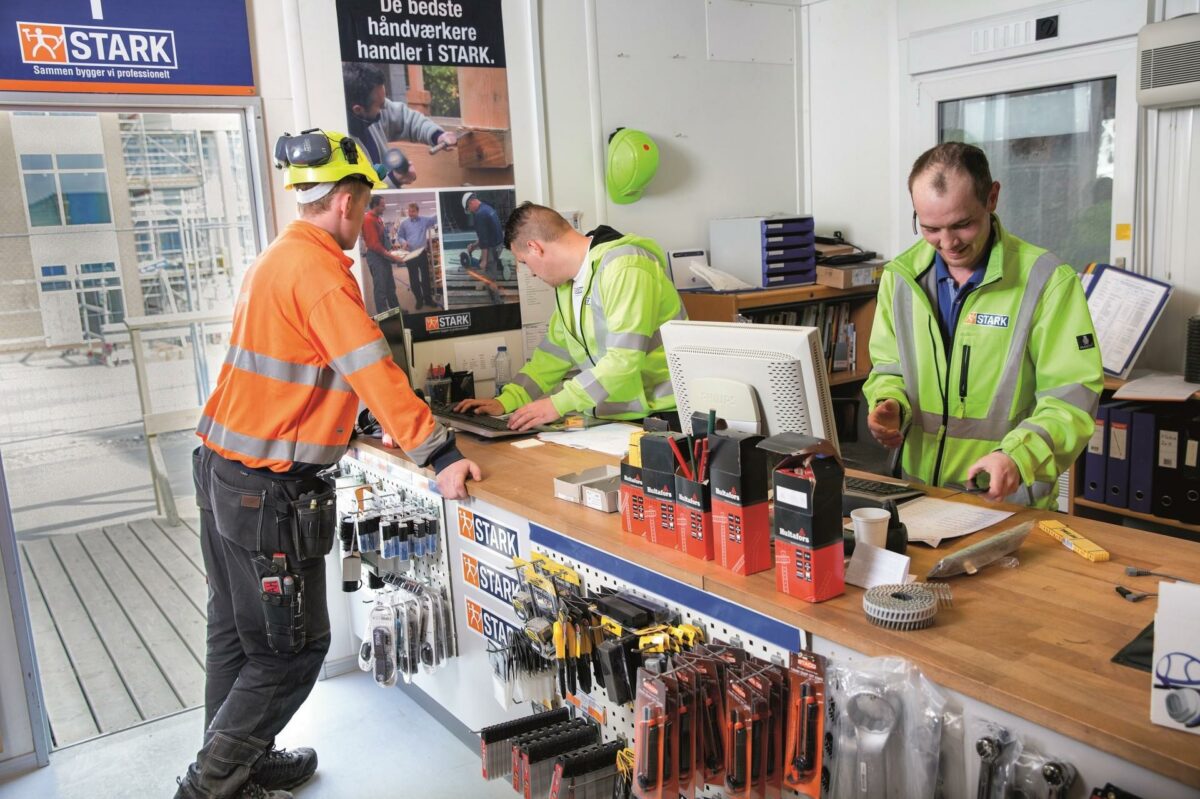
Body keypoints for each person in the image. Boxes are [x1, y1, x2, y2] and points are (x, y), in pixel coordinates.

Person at [176, 129, 481, 799]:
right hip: (266, 493)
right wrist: (440, 452)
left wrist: (352, 416)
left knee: (233, 633)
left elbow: (309, 370)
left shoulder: (278, 257)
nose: (367, 217)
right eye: (367, 204)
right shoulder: (318, 273)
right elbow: (371, 363)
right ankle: (209, 786)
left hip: (222, 471)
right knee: (291, 651)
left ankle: (239, 762)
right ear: (345, 200)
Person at [863, 141, 1102, 508]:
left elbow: (1071, 401)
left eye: (962, 225)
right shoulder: (900, 279)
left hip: (1008, 505)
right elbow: (888, 367)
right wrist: (889, 403)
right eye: (929, 228)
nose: (948, 243)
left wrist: (1018, 456)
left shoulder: (1048, 282)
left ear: (992, 198)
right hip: (918, 499)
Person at [455, 202, 684, 431]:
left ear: (535, 247)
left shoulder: (625, 266)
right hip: (617, 419)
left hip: (663, 417)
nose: (532, 273)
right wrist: (506, 400)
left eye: (525, 263)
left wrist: (557, 404)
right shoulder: (570, 286)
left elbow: (623, 360)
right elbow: (552, 356)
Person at [343, 62, 456, 167]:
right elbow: (361, 186)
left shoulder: (370, 110)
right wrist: (394, 179)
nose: (385, 108)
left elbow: (407, 119)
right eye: (380, 105)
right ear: (358, 110)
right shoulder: (341, 145)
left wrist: (437, 135)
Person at [361, 195, 403, 313]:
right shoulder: (368, 219)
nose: (384, 208)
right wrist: (392, 256)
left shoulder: (378, 219)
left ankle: (396, 310)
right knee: (381, 289)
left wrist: (392, 247)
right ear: (375, 205)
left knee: (390, 286)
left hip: (383, 257)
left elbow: (382, 239)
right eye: (382, 205)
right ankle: (385, 317)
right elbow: (374, 244)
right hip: (376, 258)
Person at [396, 201, 438, 309]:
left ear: (418, 211)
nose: (410, 213)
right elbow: (399, 236)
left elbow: (435, 218)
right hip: (410, 255)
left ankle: (428, 299)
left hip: (422, 253)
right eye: (409, 211)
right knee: (414, 278)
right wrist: (403, 242)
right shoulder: (404, 223)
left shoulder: (424, 220)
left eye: (413, 211)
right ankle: (419, 300)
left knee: (425, 278)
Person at [463, 192, 505, 281]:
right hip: (499, 245)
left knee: (488, 276)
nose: (470, 211)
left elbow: (484, 241)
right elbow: (486, 235)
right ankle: (498, 263)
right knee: (482, 261)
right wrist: (474, 246)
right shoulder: (486, 207)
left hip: (493, 248)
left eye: (468, 208)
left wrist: (484, 261)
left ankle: (493, 293)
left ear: (471, 202)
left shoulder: (480, 215)